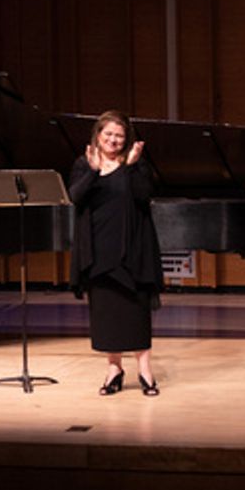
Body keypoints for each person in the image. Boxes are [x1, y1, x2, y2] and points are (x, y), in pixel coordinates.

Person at [68, 111, 163, 396]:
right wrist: (95, 170)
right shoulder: (85, 163)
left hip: (132, 249)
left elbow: (145, 195)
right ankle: (114, 369)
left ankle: (145, 370)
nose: (113, 140)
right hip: (97, 249)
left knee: (136, 311)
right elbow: (75, 196)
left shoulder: (135, 164)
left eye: (119, 135)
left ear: (126, 139)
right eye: (108, 134)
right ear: (98, 134)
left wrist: (132, 167)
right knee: (106, 315)